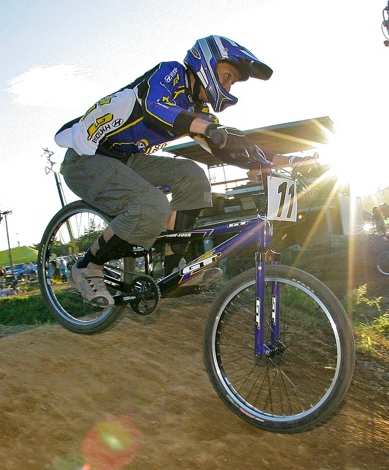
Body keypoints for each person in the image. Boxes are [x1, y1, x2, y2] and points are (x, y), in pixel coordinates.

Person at [54, 35, 288, 308]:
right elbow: (155, 107)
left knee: (193, 176)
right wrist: (205, 128)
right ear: (207, 64)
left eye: (232, 82)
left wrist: (275, 160)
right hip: (85, 159)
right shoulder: (170, 73)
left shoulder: (197, 109)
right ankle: (87, 267)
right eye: (226, 76)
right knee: (151, 205)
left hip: (126, 159)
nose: (227, 85)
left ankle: (175, 268)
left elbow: (226, 146)